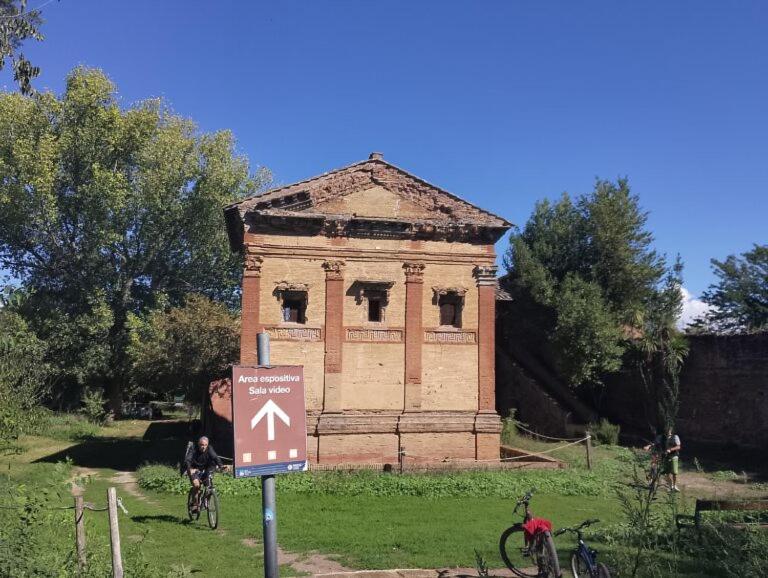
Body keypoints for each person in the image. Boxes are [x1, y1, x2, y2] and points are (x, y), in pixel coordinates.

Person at [184, 436, 223, 511]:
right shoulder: (193, 449)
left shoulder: (209, 449)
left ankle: (206, 500)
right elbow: (188, 460)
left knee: (209, 485)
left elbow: (215, 457)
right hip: (194, 469)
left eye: (205, 445)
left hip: (206, 470)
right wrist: (190, 469)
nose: (203, 447)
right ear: (198, 444)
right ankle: (195, 504)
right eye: (202, 445)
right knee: (196, 485)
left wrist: (221, 465)